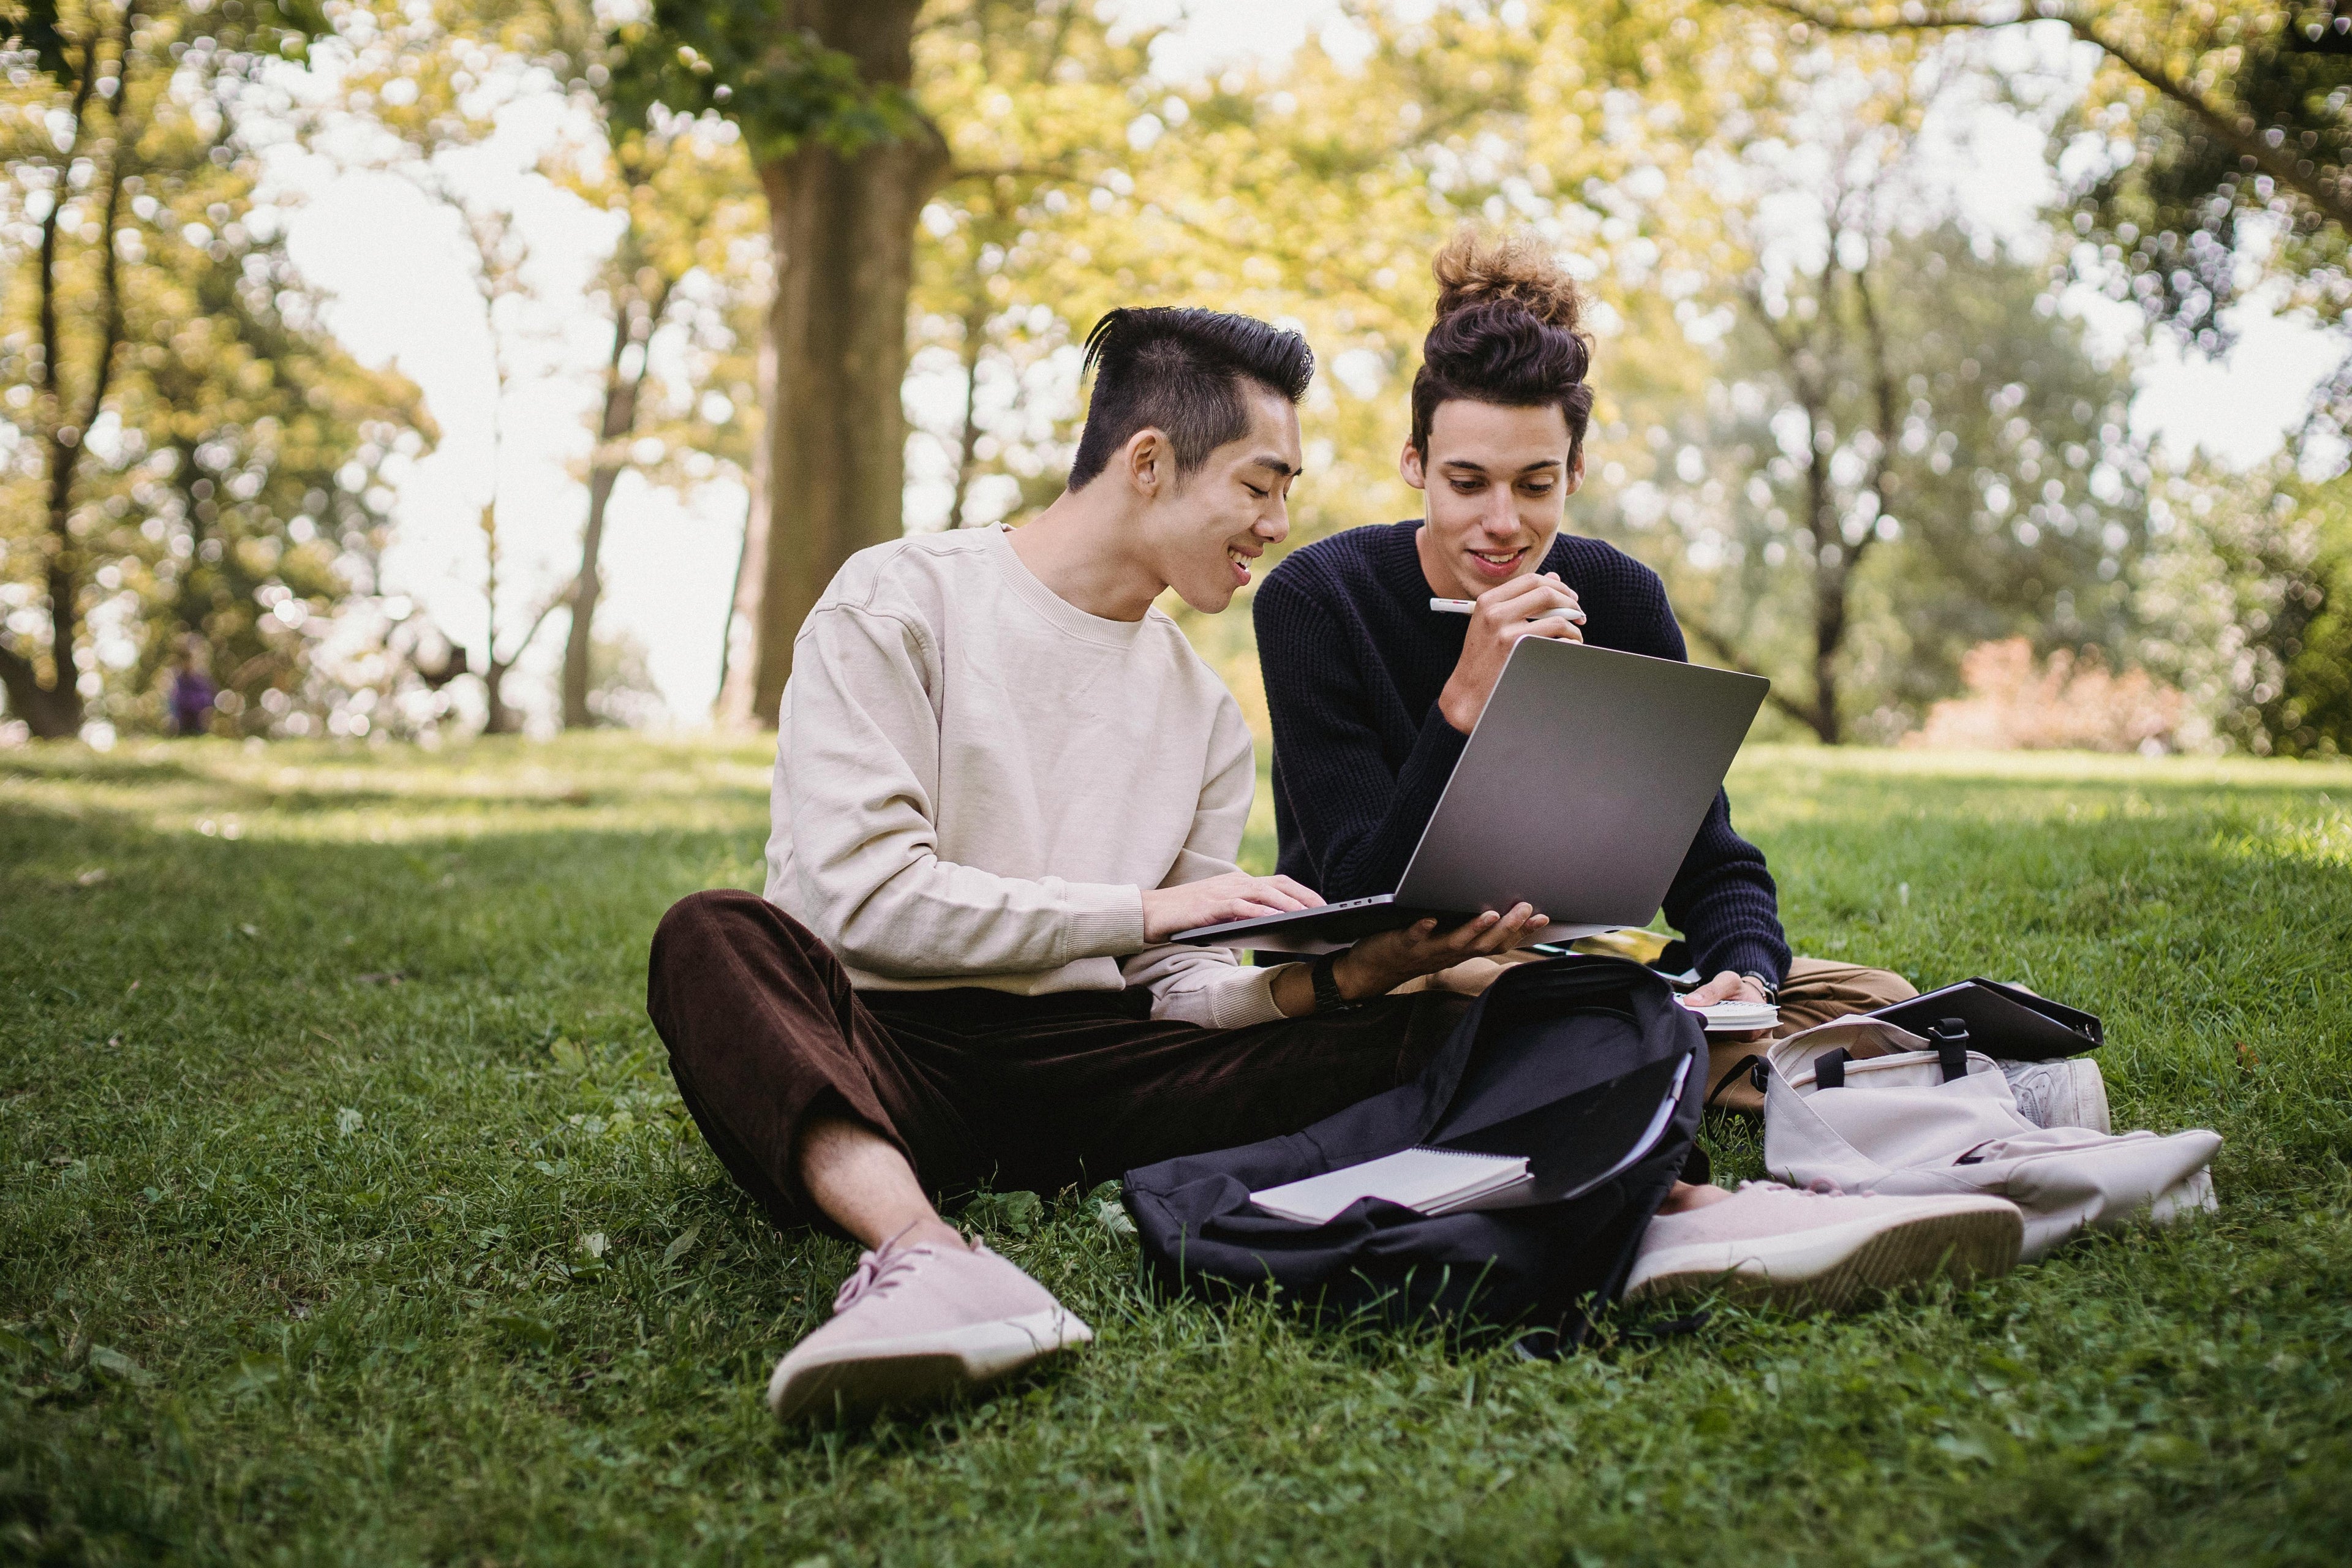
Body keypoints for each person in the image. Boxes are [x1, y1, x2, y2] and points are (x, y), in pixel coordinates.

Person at [647, 305, 2018, 1425]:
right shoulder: (902, 601)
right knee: (716, 934)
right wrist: (1155, 904)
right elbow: (847, 899)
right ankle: (928, 1261)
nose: (1274, 522)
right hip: (887, 1039)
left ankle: (1684, 1205)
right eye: (1260, 484)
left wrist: (1341, 974)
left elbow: (1172, 991)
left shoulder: (1196, 708)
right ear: (1146, 463)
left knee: (1463, 1005)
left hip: (1112, 1065)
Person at [1251, 230, 1918, 1113]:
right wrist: (1465, 703)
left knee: (1878, 999)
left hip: (1583, 961)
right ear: (1415, 466)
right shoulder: (1318, 599)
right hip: (1402, 980)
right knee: (1524, 1010)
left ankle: (1735, 1057)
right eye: (1467, 483)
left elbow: (1711, 860)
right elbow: (1358, 894)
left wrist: (1746, 979)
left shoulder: (1622, 599)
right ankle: (1838, 1090)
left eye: (1535, 485)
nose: (1503, 523)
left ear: (1574, 471)